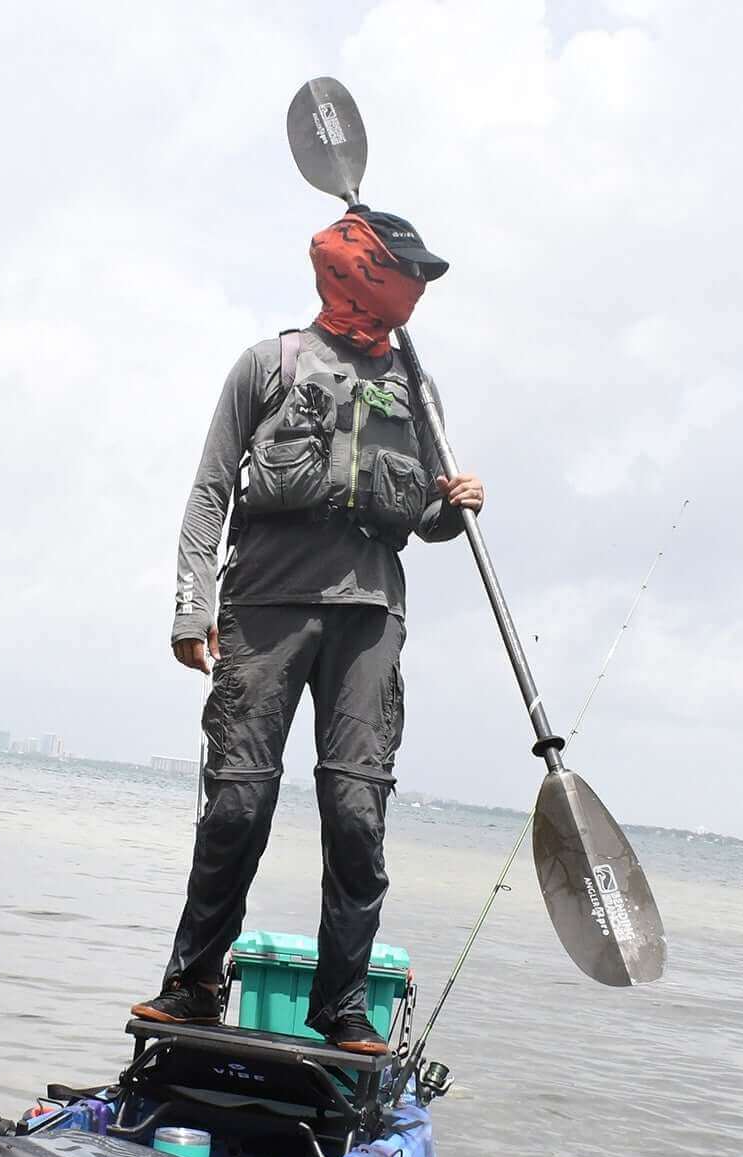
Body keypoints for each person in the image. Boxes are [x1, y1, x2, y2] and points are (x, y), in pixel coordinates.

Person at [132, 207, 485, 1054]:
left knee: (357, 815)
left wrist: (454, 506)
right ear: (360, 269)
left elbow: (428, 517)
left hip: (370, 617)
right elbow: (210, 492)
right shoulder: (270, 363)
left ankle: (343, 1009)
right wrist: (192, 605)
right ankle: (191, 987)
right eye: (409, 274)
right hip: (261, 608)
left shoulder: (415, 384)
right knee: (237, 805)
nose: (417, 292)